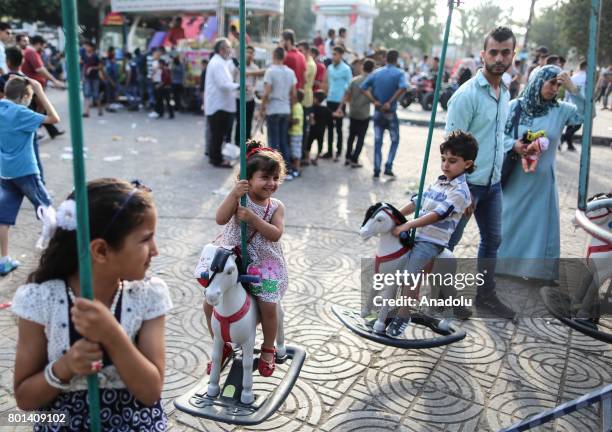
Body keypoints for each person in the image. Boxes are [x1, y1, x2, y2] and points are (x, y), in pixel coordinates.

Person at [11, 178, 171, 430]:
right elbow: (24, 399)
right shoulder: (39, 300)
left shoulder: (149, 294)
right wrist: (66, 366)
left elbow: (151, 392)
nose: (156, 250)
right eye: (145, 239)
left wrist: (113, 335)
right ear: (101, 251)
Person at [444, 26, 516, 318]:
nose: (499, 58)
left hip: (493, 183)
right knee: (446, 242)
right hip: (467, 185)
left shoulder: (506, 91)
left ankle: (485, 296)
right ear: (483, 54)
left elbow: (497, 137)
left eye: (505, 52)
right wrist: (461, 186)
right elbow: (451, 147)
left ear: (513, 54)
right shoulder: (467, 95)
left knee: (492, 240)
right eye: (494, 52)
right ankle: (441, 296)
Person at [385, 131, 478, 336]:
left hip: (431, 241)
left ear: (468, 164)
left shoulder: (461, 192)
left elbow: (438, 214)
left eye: (452, 161)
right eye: (444, 159)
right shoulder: (438, 182)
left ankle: (403, 314)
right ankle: (386, 309)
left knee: (410, 276)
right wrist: (396, 215)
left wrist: (407, 225)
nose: (446, 165)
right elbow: (417, 201)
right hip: (417, 235)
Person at [209, 140, 288, 377]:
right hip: (233, 258)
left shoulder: (276, 206)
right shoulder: (239, 198)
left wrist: (254, 220)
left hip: (265, 264)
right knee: (208, 303)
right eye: (264, 177)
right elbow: (220, 219)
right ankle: (221, 344)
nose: (271, 183)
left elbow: (276, 234)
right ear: (248, 179)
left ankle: (267, 348)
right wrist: (233, 194)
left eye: (275, 177)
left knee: (269, 306)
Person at [498, 65, 584, 281]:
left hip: (541, 182)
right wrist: (515, 145)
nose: (555, 88)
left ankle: (535, 272)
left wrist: (574, 90)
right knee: (509, 222)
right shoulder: (514, 107)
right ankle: (503, 266)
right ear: (537, 81)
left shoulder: (561, 109)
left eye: (558, 84)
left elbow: (585, 116)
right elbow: (497, 136)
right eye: (551, 83)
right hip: (514, 179)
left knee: (538, 229)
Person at [0, 77, 60, 276]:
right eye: (31, 97)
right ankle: (55, 256)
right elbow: (54, 119)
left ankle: (4, 260)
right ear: (25, 96)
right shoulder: (21, 112)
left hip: (5, 173)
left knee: (4, 219)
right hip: (26, 171)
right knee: (47, 210)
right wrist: (40, 91)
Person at [360, 49, 407, 178]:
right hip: (390, 113)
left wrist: (374, 101)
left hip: (378, 112)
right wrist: (390, 101)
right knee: (395, 140)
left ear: (386, 58)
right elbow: (404, 87)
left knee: (378, 141)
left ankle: (376, 168)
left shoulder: (376, 73)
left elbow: (363, 88)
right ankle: (388, 166)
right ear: (396, 59)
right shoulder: (399, 73)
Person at [261, 47, 296, 179]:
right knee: (283, 141)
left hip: (273, 109)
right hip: (285, 109)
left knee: (273, 142)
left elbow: (266, 92)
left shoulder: (270, 71)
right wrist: (292, 110)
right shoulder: (290, 72)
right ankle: (287, 171)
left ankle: (274, 172)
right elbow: (293, 94)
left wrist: (262, 108)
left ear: (274, 55)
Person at [21, 35, 65, 139]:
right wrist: (54, 81)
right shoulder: (32, 52)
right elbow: (40, 69)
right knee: (40, 109)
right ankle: (35, 132)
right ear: (39, 44)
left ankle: (52, 131)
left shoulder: (32, 52)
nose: (44, 48)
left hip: (33, 87)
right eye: (43, 45)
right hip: (34, 88)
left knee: (41, 110)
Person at [205, 38, 239, 168]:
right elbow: (223, 84)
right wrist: (238, 86)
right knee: (218, 135)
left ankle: (217, 157)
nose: (230, 51)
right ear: (221, 49)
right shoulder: (217, 63)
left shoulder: (222, 62)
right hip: (219, 106)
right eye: (228, 48)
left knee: (219, 134)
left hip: (223, 105)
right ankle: (216, 159)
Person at [343, 58, 374, 167]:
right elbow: (373, 98)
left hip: (353, 112)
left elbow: (347, 95)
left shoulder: (354, 80)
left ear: (363, 67)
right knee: (360, 138)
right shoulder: (371, 82)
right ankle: (354, 159)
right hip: (364, 113)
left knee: (351, 136)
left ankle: (347, 157)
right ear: (372, 69)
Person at [323, 46, 352, 161]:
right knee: (329, 127)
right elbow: (327, 84)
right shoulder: (329, 68)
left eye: (335, 54)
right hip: (330, 100)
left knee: (339, 128)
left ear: (341, 55)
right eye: (332, 54)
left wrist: (342, 105)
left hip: (340, 102)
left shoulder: (346, 69)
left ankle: (339, 152)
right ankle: (329, 151)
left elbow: (348, 88)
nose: (333, 56)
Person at [234, 46, 263, 147]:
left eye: (251, 53)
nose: (249, 55)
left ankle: (247, 144)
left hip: (250, 98)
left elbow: (255, 83)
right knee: (239, 121)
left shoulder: (255, 68)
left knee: (248, 122)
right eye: (247, 52)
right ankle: (238, 143)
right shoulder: (238, 66)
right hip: (239, 98)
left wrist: (252, 89)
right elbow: (233, 80)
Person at [560, 60, 587, 151]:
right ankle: (562, 139)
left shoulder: (574, 77)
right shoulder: (587, 78)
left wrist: (566, 101)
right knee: (577, 125)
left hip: (571, 103)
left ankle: (569, 145)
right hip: (581, 104)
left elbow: (567, 91)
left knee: (571, 125)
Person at [297, 41, 316, 164]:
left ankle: (303, 154)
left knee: (302, 128)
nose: (299, 53)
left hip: (305, 99)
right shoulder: (306, 62)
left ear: (308, 51)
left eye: (301, 51)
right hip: (303, 97)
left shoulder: (309, 64)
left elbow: (302, 78)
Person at [306, 90, 332, 165]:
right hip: (321, 130)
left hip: (313, 130)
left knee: (309, 144)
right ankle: (316, 159)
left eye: (313, 98)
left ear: (316, 99)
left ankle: (308, 159)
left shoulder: (313, 107)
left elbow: (311, 117)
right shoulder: (326, 109)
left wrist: (311, 121)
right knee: (320, 145)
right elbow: (331, 115)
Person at [80, 41, 103, 117]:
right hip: (87, 78)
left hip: (95, 78)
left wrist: (92, 68)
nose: (86, 48)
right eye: (86, 46)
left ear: (92, 48)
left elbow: (100, 66)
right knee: (87, 94)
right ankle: (87, 112)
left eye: (87, 46)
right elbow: (83, 65)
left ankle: (100, 110)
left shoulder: (96, 56)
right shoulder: (84, 55)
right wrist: (83, 76)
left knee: (96, 94)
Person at [289, 89, 304, 178]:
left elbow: (297, 121)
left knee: (296, 152)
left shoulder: (296, 107)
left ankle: (296, 169)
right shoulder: (297, 106)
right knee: (294, 151)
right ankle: (295, 168)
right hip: (296, 133)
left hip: (296, 133)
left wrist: (288, 119)